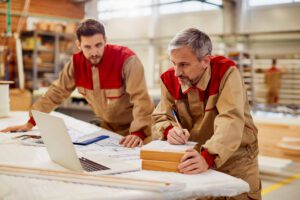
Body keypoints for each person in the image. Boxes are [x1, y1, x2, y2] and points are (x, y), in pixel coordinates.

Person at [1, 19, 154, 148]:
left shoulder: (126, 60)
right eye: (88, 47)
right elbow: (56, 92)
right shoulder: (76, 63)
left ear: (105, 41)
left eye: (98, 45)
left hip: (135, 132)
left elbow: (141, 99)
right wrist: (31, 122)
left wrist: (139, 132)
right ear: (79, 45)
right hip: (108, 130)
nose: (94, 52)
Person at [152, 28, 261, 199]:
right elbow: (160, 116)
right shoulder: (169, 79)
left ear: (205, 61)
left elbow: (230, 119)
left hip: (237, 159)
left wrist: (209, 156)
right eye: (173, 63)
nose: (176, 72)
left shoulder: (226, 72)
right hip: (199, 157)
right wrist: (169, 131)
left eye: (184, 64)